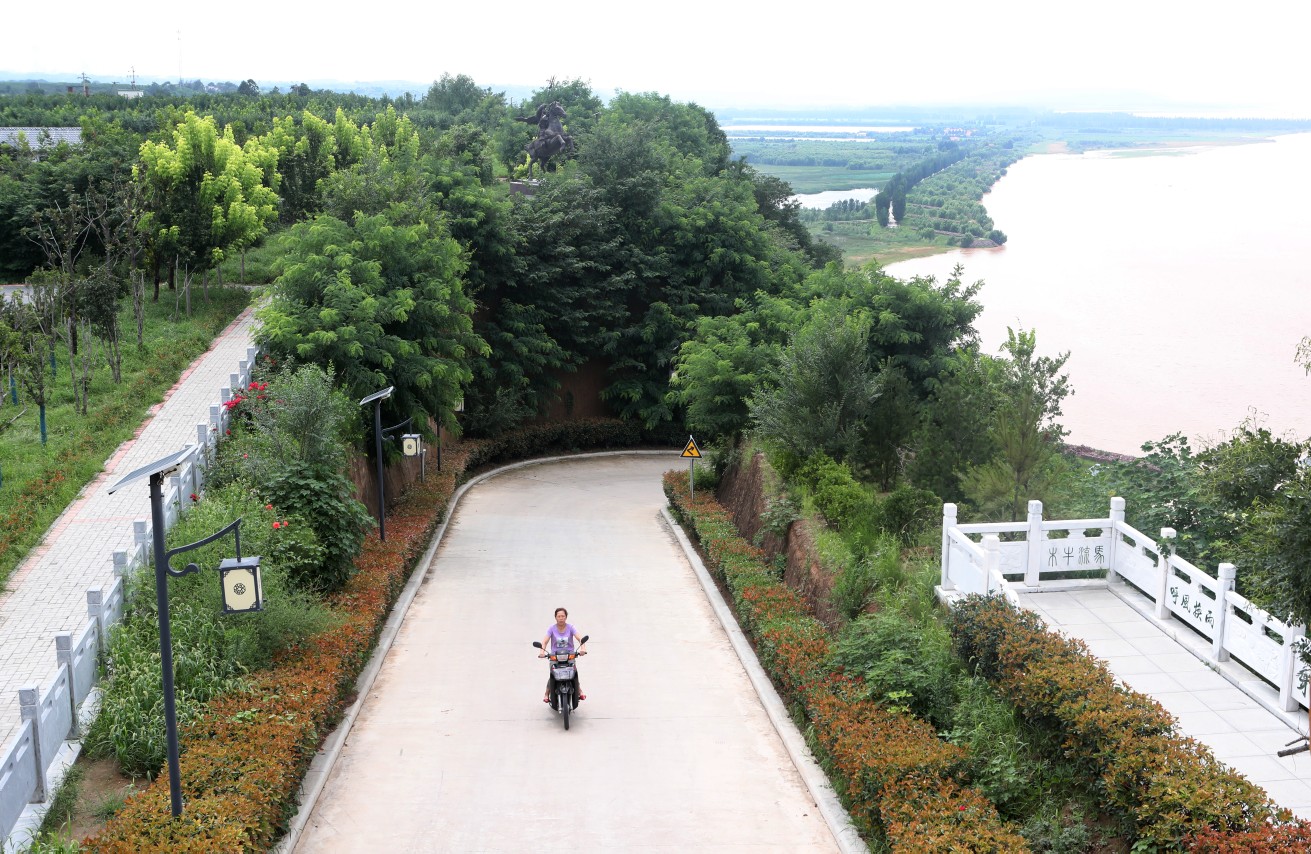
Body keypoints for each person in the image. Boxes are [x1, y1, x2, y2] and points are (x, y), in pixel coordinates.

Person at [540, 606, 586, 705]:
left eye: (563, 616)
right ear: (555, 617)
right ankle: (546, 693)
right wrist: (542, 652)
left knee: (574, 673)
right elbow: (545, 641)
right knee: (553, 674)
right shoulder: (551, 628)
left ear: (566, 617)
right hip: (555, 656)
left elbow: (580, 638)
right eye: (559, 616)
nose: (561, 618)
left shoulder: (571, 627)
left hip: (569, 655)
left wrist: (583, 648)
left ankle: (580, 691)